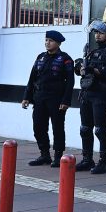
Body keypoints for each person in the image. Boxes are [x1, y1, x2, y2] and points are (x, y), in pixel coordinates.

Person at [21, 30, 74, 168]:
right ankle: (44, 155)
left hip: (56, 99)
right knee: (38, 127)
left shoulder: (65, 59)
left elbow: (70, 82)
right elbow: (32, 78)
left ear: (58, 43)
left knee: (57, 127)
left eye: (50, 41)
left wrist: (66, 101)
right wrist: (26, 97)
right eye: (46, 40)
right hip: (39, 98)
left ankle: (58, 156)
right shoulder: (40, 57)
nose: (47, 43)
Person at [75, 20, 106, 174]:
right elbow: (83, 71)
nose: (97, 35)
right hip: (87, 94)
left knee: (100, 129)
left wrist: (94, 70)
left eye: (101, 33)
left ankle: (103, 162)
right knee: (85, 128)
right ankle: (87, 159)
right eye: (96, 32)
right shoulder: (92, 52)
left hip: (102, 95)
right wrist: (80, 68)